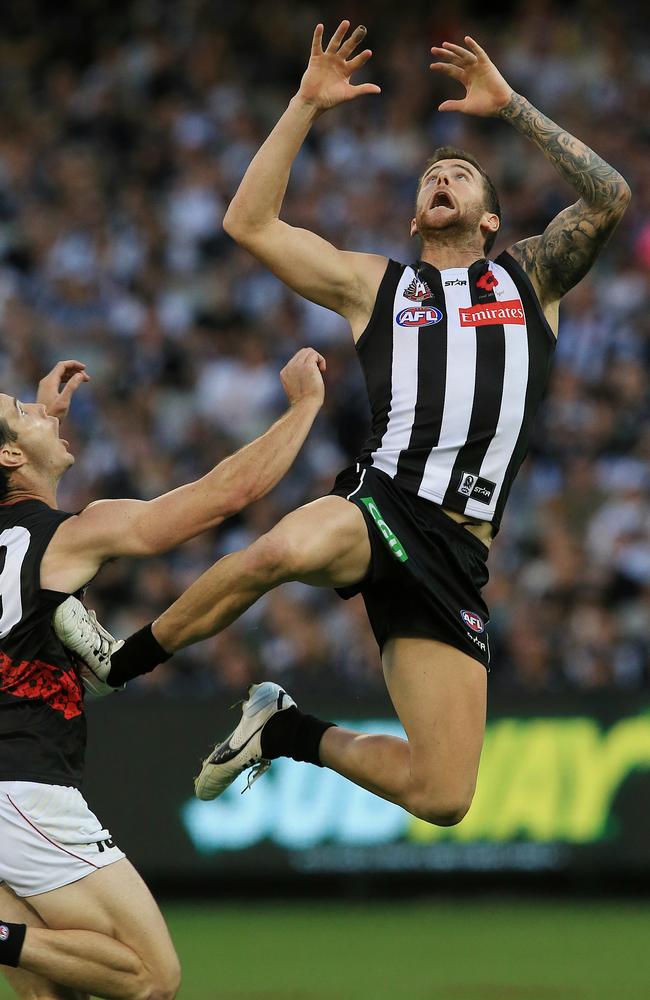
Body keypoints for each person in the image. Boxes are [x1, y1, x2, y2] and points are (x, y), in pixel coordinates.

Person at [60, 23, 630, 826]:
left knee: (444, 796)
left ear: (491, 221)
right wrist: (302, 104)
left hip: (458, 554)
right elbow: (248, 224)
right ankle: (122, 660)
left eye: (461, 173)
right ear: (412, 219)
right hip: (385, 501)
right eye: (432, 173)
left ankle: (286, 730)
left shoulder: (528, 277)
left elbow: (610, 197)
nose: (444, 176)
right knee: (286, 550)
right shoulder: (378, 286)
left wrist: (509, 107)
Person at [0, 349, 326, 997]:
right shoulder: (67, 537)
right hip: (22, 786)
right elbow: (221, 497)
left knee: (50, 989)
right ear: (10, 457)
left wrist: (39, 421)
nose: (36, 406)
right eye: (19, 411)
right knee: (151, 974)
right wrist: (305, 406)